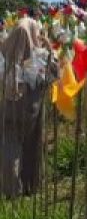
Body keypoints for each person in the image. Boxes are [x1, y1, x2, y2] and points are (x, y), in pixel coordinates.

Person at [0, 17, 55, 198]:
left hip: (9, 108)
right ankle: (30, 185)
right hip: (32, 109)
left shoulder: (4, 53)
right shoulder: (39, 54)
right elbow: (53, 76)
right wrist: (50, 50)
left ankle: (11, 190)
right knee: (32, 146)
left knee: (10, 147)